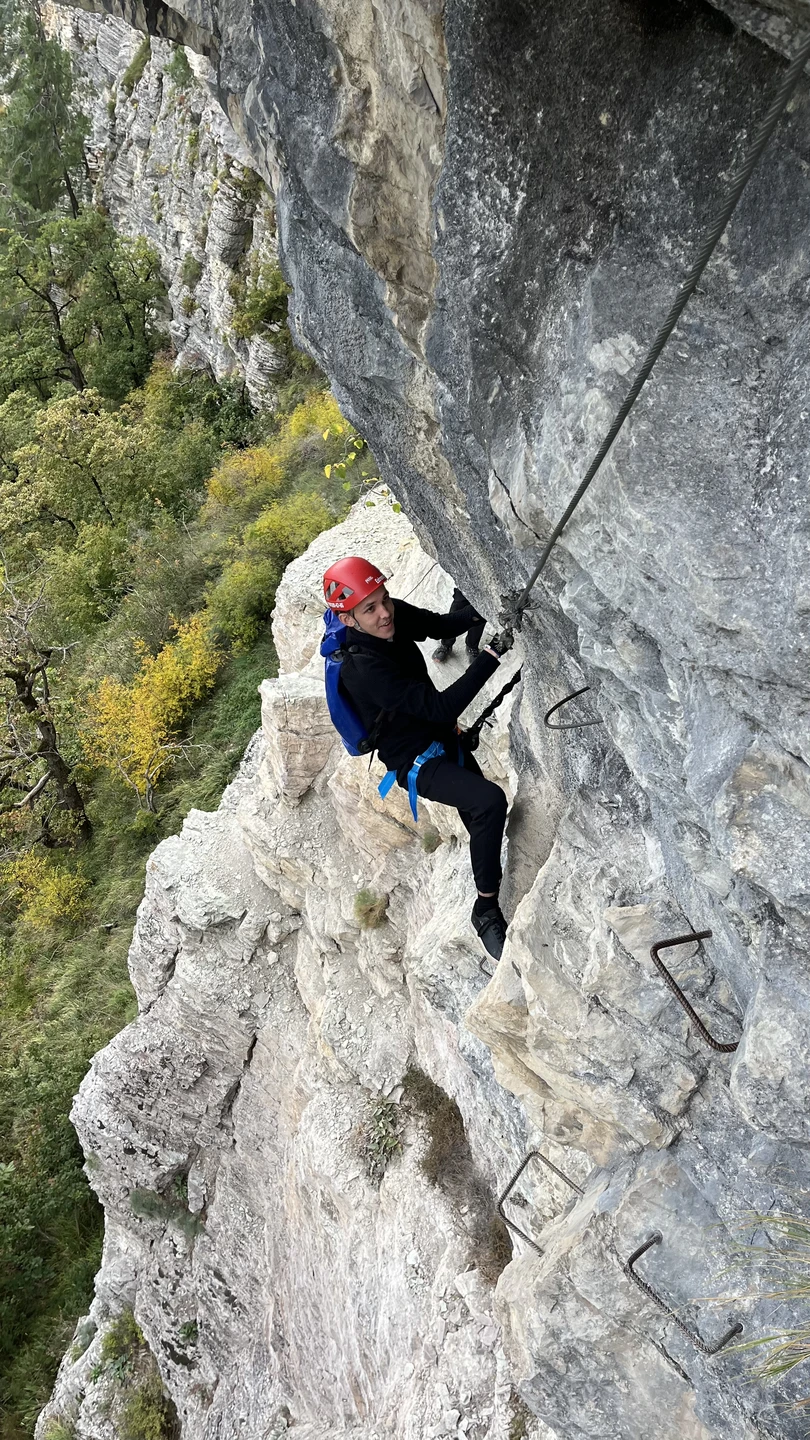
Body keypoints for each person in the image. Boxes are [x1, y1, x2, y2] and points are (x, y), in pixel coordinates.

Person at [322, 556, 514, 960]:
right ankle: (486, 908)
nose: (384, 613)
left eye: (384, 600)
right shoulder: (363, 668)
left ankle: (487, 867)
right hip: (415, 759)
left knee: (478, 810)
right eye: (370, 609)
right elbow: (441, 706)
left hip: (440, 735)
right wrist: (491, 656)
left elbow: (440, 626)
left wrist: (488, 608)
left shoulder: (389, 616)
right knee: (488, 801)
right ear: (350, 619)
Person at [432, 587, 485, 664]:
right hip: (467, 581)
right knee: (458, 605)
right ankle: (446, 643)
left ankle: (472, 646)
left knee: (480, 610)